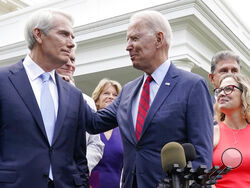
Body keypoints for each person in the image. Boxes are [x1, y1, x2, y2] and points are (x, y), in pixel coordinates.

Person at [85, 10, 213, 188]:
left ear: (159, 39)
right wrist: (60, 84)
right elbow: (93, 122)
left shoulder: (192, 86)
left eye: (134, 38)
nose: (128, 46)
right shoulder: (128, 91)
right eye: (127, 40)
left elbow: (201, 156)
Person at [0, 9, 89, 188]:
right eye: (64, 34)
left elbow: (79, 157)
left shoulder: (74, 95)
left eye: (73, 36)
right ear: (38, 34)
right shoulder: (3, 81)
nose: (71, 43)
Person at [56, 50, 104, 173]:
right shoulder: (37, 95)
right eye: (65, 59)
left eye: (72, 60)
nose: (70, 64)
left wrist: (78, 170)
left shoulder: (87, 101)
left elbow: (95, 144)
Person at [213, 73, 250, 187]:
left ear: (244, 94)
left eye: (228, 88)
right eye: (219, 91)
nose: (221, 94)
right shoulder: (211, 133)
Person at [89, 78, 123, 188]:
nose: (111, 97)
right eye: (106, 93)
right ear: (97, 99)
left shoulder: (124, 129)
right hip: (90, 184)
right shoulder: (88, 125)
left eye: (115, 95)